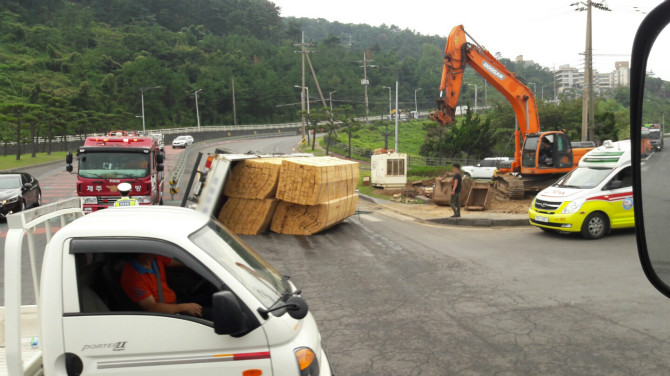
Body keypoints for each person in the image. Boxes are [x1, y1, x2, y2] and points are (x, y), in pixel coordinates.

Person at [120, 253, 207, 319]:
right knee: (213, 313)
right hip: (168, 314)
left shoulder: (155, 258)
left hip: (176, 301)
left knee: (210, 299)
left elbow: (182, 262)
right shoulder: (132, 276)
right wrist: (184, 307)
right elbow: (152, 308)